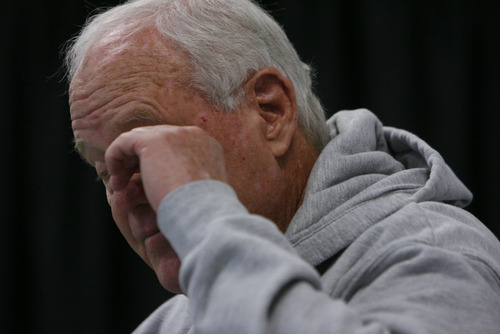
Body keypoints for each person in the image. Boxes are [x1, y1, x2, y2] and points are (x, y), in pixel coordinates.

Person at [65, 0, 500, 332]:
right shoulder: (172, 323)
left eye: (144, 151)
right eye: (104, 172)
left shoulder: (437, 254)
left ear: (270, 111)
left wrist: (197, 211)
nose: (122, 197)